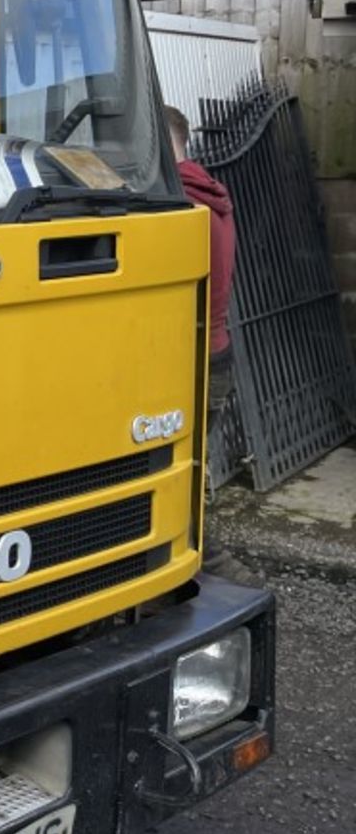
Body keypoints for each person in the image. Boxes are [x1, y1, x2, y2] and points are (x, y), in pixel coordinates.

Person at [166, 106, 253, 583]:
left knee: (183, 475)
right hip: (218, 351)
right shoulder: (211, 194)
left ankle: (218, 574)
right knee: (194, 465)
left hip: (195, 360)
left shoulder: (179, 205)